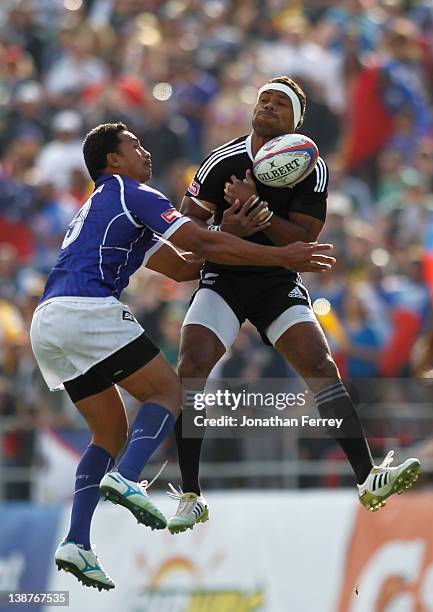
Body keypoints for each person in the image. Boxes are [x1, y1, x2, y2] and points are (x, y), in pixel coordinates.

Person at [29, 122, 335, 591]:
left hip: (49, 321)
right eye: (135, 146)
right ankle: (129, 479)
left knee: (108, 433)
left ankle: (77, 541)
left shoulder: (109, 205)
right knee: (171, 390)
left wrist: (229, 230)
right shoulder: (134, 192)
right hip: (87, 308)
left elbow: (185, 265)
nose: (145, 152)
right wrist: (282, 255)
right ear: (113, 160)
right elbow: (203, 244)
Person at [167, 76, 421, 534]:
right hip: (224, 274)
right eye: (263, 99)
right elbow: (185, 232)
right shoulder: (222, 160)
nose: (267, 106)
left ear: (294, 124)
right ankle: (190, 492)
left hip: (276, 279)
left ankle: (367, 477)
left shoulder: (311, 167)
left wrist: (258, 213)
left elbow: (304, 243)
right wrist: (232, 229)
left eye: (279, 104)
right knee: (191, 366)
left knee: (320, 365)